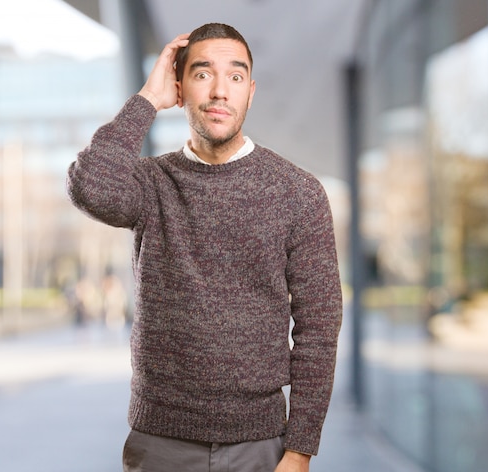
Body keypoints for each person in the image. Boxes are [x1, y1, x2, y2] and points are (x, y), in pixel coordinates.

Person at [67, 23, 342, 472]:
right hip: (159, 442)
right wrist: (146, 101)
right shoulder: (150, 183)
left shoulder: (298, 193)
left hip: (261, 443)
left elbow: (318, 328)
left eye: (235, 77)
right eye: (201, 74)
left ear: (250, 92)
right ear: (180, 87)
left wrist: (300, 450)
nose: (219, 91)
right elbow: (91, 186)